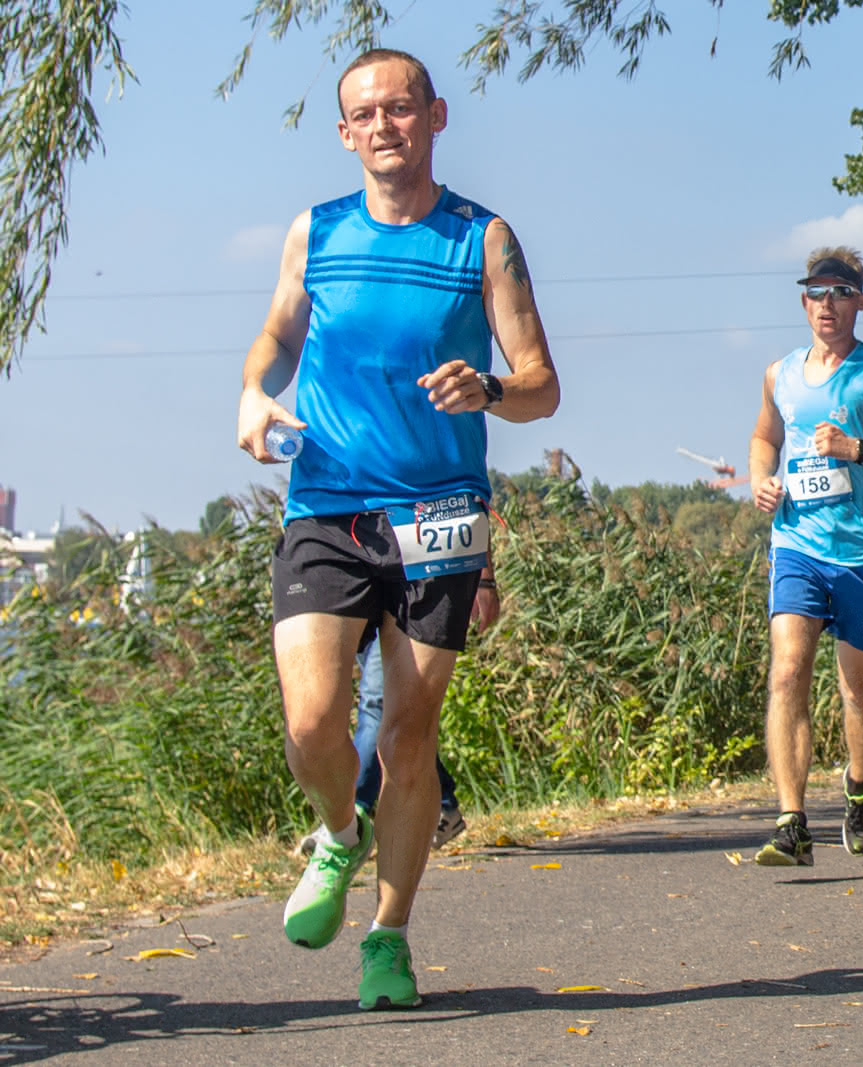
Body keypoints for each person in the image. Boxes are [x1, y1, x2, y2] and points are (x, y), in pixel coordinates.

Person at [235, 48, 559, 1011]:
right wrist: (254, 392)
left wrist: (491, 387)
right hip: (327, 501)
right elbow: (279, 337)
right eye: (365, 113)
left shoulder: (484, 238)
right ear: (345, 133)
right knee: (311, 720)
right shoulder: (315, 231)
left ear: (436, 117)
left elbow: (542, 385)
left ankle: (389, 936)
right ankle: (340, 828)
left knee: (409, 740)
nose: (385, 125)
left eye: (401, 108)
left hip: (443, 512)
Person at [748, 246, 863, 867]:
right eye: (816, 291)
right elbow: (764, 436)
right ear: (803, 301)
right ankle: (791, 821)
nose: (827, 303)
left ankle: (859, 790)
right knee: (787, 670)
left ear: (860, 301)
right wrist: (760, 478)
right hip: (796, 541)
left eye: (839, 292)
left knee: (859, 687)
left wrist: (859, 449)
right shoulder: (780, 373)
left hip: (862, 552)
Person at [297, 573, 498, 858]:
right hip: (359, 582)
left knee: (377, 703)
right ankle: (444, 805)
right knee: (398, 715)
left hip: (412, 583)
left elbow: (477, 525)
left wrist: (484, 579)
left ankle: (353, 814)